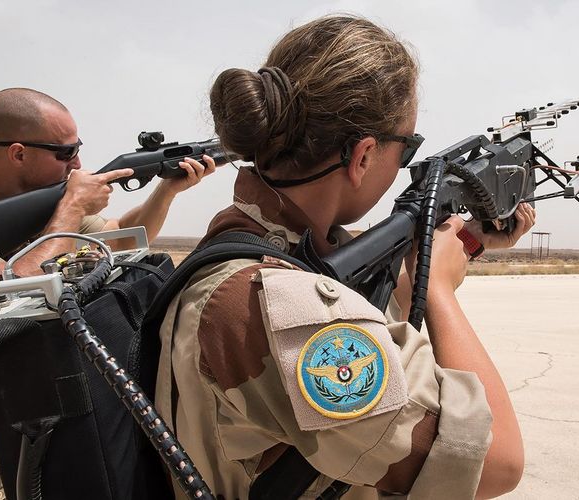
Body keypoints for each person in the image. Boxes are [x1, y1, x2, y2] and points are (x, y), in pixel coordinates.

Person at [156, 15, 533, 499]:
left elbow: (366, 289)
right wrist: (438, 292)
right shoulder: (272, 304)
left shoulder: (255, 247)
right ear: (362, 157)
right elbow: (497, 462)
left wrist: (470, 243)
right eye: (408, 147)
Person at [0, 87, 216, 500]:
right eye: (65, 153)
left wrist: (165, 191)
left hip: (60, 396)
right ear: (18, 153)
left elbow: (120, 241)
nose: (79, 165)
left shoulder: (45, 209)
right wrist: (70, 211)